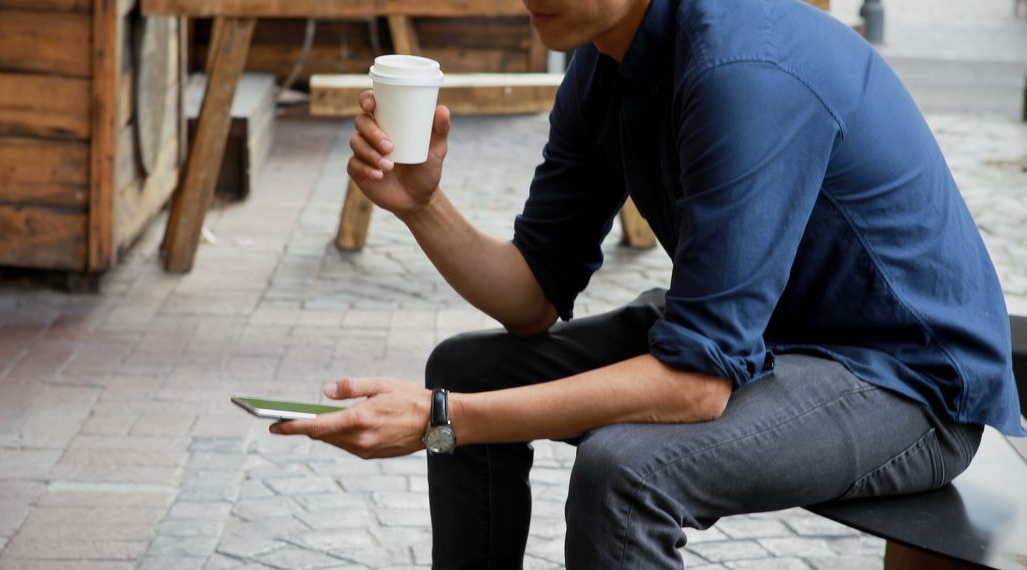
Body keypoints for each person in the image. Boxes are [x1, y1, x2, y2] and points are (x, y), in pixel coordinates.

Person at [269, 0, 1026, 567]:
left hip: (907, 384)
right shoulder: (606, 63)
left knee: (625, 471)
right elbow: (533, 296)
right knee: (467, 367)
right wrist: (423, 206)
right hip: (761, 340)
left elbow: (696, 385)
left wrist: (442, 418)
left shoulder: (741, 69)